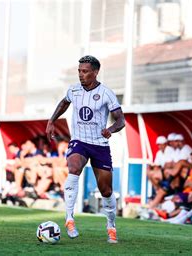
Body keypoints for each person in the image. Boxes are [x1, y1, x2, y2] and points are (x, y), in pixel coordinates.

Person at [46, 55, 125, 243]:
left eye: (85, 71)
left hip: (100, 145)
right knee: (73, 168)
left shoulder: (106, 93)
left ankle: (111, 226)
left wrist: (110, 129)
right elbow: (64, 103)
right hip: (79, 141)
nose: (81, 75)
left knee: (106, 191)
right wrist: (51, 121)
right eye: (79, 71)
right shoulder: (73, 90)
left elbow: (120, 120)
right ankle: (69, 218)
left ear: (95, 72)